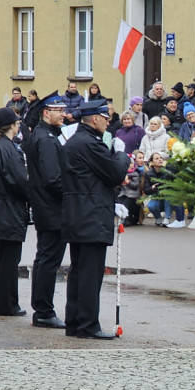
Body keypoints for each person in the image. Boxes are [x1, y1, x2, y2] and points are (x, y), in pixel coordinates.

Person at [61, 100, 130, 339]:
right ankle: (88, 325)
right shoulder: (90, 143)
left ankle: (75, 323)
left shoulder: (76, 141)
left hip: (77, 212)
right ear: (94, 118)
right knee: (90, 273)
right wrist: (122, 155)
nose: (109, 121)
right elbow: (114, 173)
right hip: (90, 214)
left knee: (79, 270)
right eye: (105, 116)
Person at [22, 92, 70, 329]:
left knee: (44, 259)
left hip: (45, 207)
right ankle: (44, 311)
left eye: (64, 110)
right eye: (59, 110)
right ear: (46, 112)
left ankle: (42, 309)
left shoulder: (43, 135)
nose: (64, 114)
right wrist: (73, 194)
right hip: (52, 209)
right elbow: (53, 179)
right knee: (48, 261)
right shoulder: (47, 139)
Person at [0, 108, 30, 317]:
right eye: (17, 122)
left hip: (0, 208)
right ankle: (6, 304)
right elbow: (18, 181)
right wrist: (34, 196)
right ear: (11, 125)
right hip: (8, 208)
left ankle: (4, 303)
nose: (19, 125)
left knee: (4, 259)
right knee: (9, 260)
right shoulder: (7, 148)